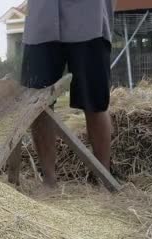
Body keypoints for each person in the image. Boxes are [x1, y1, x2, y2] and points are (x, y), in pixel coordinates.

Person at [20, 0, 114, 188]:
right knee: (38, 106)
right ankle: (49, 181)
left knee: (95, 102)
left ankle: (104, 179)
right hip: (42, 20)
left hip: (88, 19)